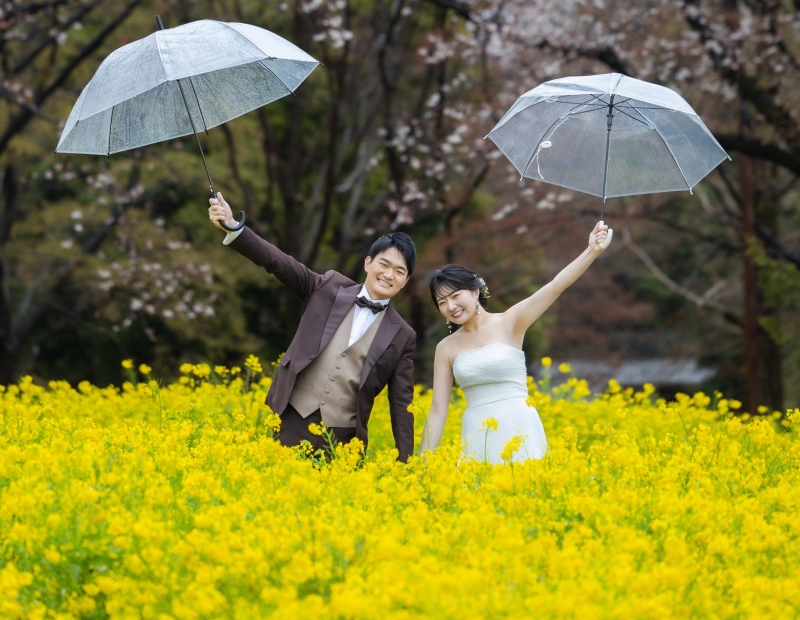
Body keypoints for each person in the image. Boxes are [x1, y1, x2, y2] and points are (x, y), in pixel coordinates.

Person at [208, 192, 416, 461]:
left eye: (399, 271)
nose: (389, 275)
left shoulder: (403, 335)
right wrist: (235, 227)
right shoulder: (328, 286)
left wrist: (405, 464)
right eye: (384, 264)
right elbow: (279, 263)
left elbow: (401, 403)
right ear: (368, 263)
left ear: (406, 280)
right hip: (291, 419)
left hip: (344, 441)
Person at [419, 220, 611, 463]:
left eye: (456, 296)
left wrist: (591, 250)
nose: (451, 307)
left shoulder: (511, 322)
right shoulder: (445, 348)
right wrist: (421, 464)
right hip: (478, 435)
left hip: (520, 426)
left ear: (475, 292)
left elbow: (555, 287)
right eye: (442, 302)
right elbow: (437, 410)